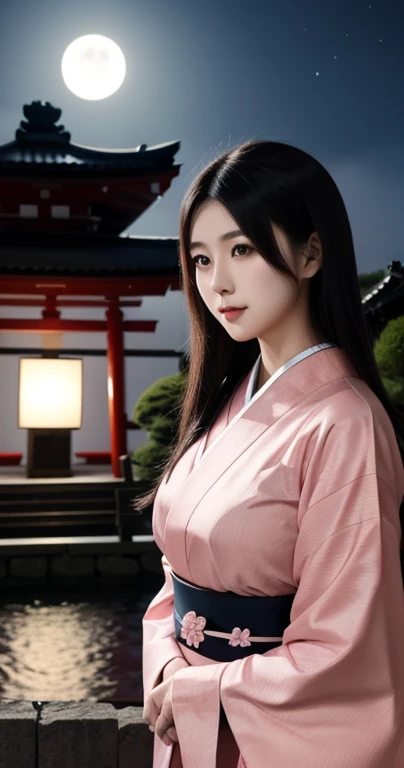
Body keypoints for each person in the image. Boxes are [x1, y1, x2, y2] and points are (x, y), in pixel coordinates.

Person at [137, 139, 404, 768]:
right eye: (201, 259)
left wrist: (203, 689)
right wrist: (169, 665)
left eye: (242, 250)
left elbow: (347, 648)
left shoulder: (346, 423)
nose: (217, 283)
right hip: (188, 715)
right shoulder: (225, 399)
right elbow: (177, 578)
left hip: (263, 733)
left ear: (311, 252)